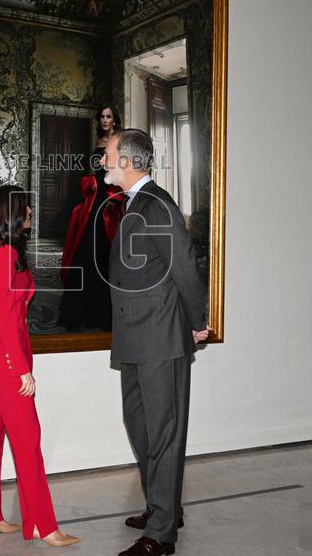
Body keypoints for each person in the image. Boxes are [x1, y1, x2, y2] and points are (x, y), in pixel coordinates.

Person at [103, 129, 210, 556]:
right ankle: (162, 505)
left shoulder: (157, 205)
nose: (104, 160)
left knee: (163, 433)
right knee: (140, 426)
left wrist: (198, 320)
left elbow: (185, 267)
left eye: (108, 154)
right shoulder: (133, 204)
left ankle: (162, 533)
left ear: (127, 161)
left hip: (160, 337)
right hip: (132, 335)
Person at [0, 184, 81, 548]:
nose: (30, 212)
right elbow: (2, 317)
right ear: (11, 214)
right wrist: (19, 367)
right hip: (4, 364)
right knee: (28, 445)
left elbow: (2, 316)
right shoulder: (4, 254)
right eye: (26, 207)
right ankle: (44, 526)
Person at [59, 106, 124, 330]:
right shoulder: (97, 139)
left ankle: (103, 313)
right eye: (102, 116)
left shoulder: (121, 140)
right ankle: (79, 312)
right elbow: (95, 170)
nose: (105, 120)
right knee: (84, 250)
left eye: (109, 116)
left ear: (115, 119)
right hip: (94, 196)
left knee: (105, 253)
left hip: (111, 197)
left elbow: (123, 171)